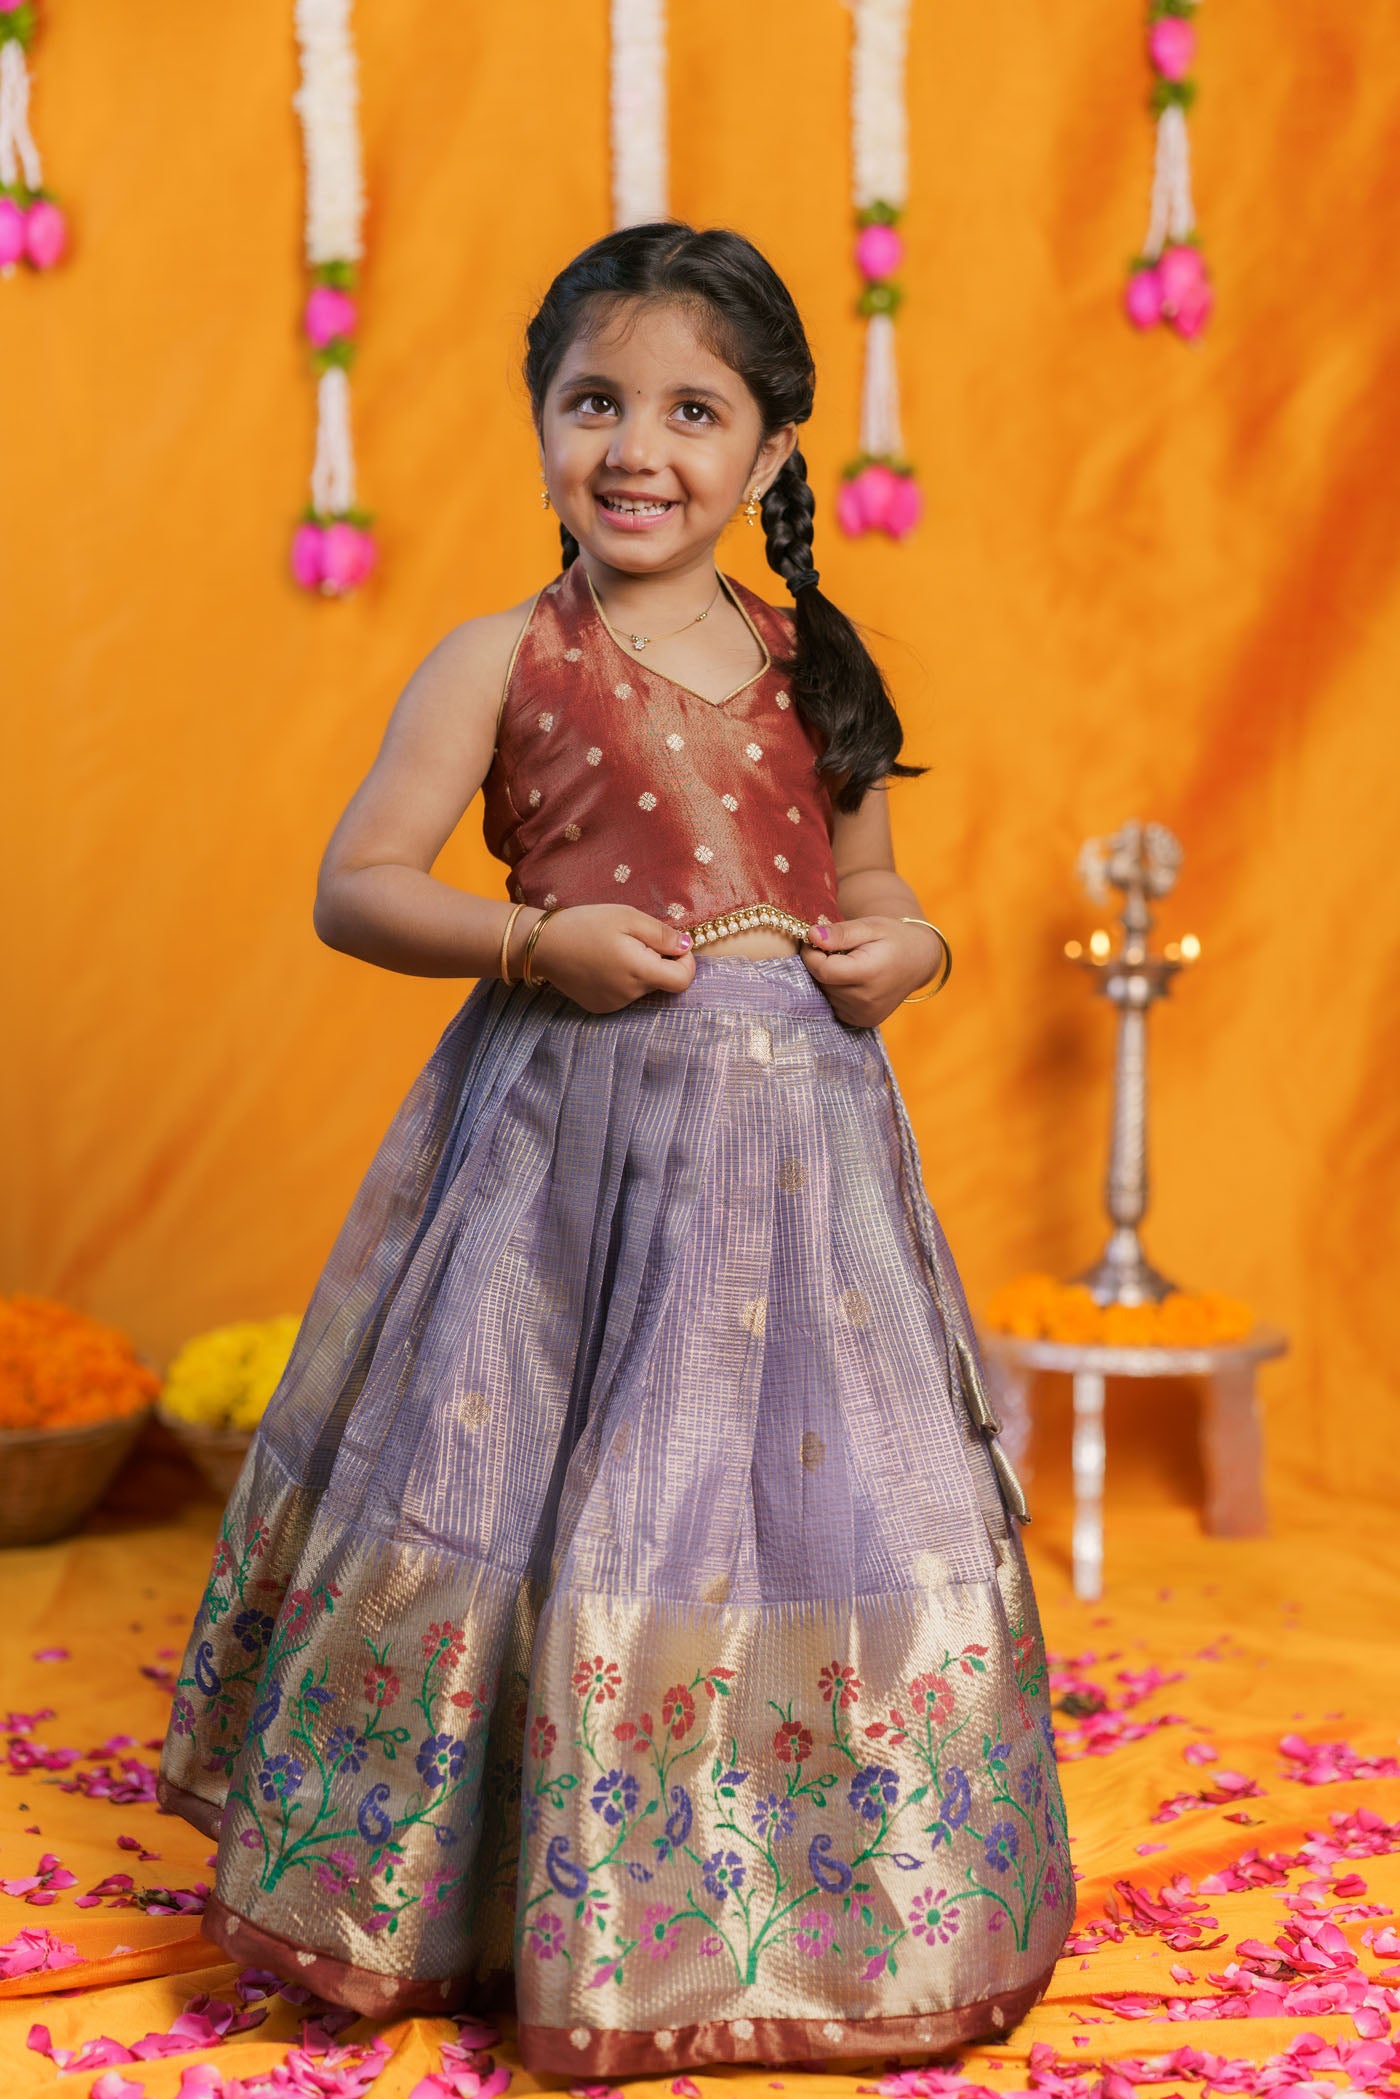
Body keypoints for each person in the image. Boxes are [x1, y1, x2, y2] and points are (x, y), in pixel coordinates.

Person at [159, 222, 1074, 2074]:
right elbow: (360, 884)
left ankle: (791, 1898)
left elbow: (876, 890)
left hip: (797, 1176)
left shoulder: (819, 667)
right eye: (594, 403)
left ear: (774, 450)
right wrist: (530, 944)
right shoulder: (500, 658)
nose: (636, 448)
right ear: (540, 424)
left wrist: (913, 952)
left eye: (692, 411)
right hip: (562, 1159)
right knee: (550, 1485)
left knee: (791, 1504)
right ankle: (499, 1893)